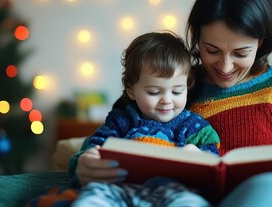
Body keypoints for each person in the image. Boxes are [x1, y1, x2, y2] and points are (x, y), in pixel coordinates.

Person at [72, 0, 272, 207]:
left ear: (262, 42)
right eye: (211, 50)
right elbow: (111, 136)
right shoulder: (175, 83)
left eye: (240, 53)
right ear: (196, 38)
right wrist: (82, 164)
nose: (224, 66)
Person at [69, 31, 220, 206]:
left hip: (172, 192)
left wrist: (199, 157)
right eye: (154, 92)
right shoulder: (120, 120)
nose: (167, 100)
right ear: (131, 90)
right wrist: (91, 157)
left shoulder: (194, 126)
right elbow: (96, 146)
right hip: (119, 189)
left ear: (187, 86)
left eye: (177, 91)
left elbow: (214, 161)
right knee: (91, 198)